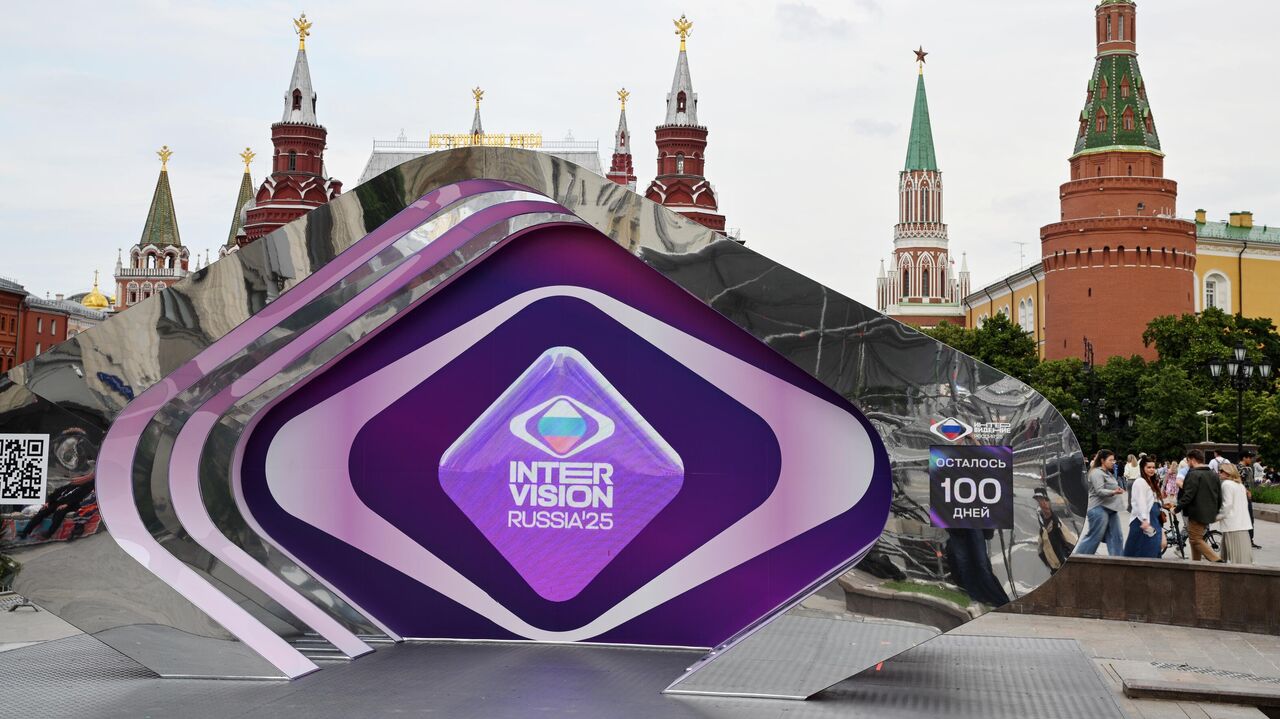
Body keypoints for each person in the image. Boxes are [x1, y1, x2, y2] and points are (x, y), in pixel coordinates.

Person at [1074, 450, 1126, 556]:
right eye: (1110, 460)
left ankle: (1117, 560)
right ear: (1102, 460)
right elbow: (1099, 491)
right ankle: (1080, 557)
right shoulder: (1096, 473)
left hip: (1110, 509)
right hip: (1098, 508)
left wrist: (1116, 489)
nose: (1113, 462)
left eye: (1114, 460)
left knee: (1117, 537)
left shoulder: (1107, 473)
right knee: (1095, 536)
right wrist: (1114, 492)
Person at [16, 472, 95, 540]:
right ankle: (25, 532)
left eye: (77, 479)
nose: (74, 480)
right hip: (57, 502)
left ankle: (49, 533)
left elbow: (79, 497)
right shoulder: (69, 486)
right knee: (42, 512)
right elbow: (55, 493)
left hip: (70, 505)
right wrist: (48, 502)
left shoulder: (85, 487)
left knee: (59, 513)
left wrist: (67, 504)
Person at [1176, 449, 1223, 562]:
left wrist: (1177, 508)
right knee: (1194, 539)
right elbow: (1219, 495)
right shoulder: (1213, 474)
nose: (1188, 463)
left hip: (1196, 513)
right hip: (1209, 512)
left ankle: (1217, 560)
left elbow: (1188, 495)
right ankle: (1196, 563)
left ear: (1192, 460)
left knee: (1195, 539)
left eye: (1188, 461)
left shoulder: (1193, 474)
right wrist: (1216, 510)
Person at [1123, 458, 1164, 558]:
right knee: (1143, 548)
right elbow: (1141, 501)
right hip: (1143, 519)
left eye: (1153, 467)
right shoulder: (1140, 481)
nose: (1152, 469)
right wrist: (1145, 519)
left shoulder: (1151, 481)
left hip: (1153, 518)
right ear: (1142, 468)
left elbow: (1153, 499)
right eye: (1148, 467)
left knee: (1152, 547)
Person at [1216, 463, 1254, 564]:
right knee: (1241, 555)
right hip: (1242, 524)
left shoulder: (1226, 484)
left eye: (1221, 471)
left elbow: (1227, 505)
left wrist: (1216, 517)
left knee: (1233, 557)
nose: (1219, 473)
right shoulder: (1240, 485)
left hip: (1232, 525)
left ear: (1228, 473)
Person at [1034, 487, 1077, 573]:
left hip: (1062, 556)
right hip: (1054, 563)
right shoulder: (1040, 513)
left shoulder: (1055, 521)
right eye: (1038, 500)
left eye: (1042, 499)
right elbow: (1041, 551)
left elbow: (1066, 539)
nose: (1041, 502)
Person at [1240, 452, 1261, 549]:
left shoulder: (1246, 468)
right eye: (1249, 458)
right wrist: (1246, 491)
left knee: (1248, 518)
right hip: (1243, 497)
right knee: (1248, 518)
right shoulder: (1241, 468)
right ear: (1244, 458)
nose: (1251, 460)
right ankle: (1248, 540)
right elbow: (1238, 481)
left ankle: (1249, 539)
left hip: (1245, 496)